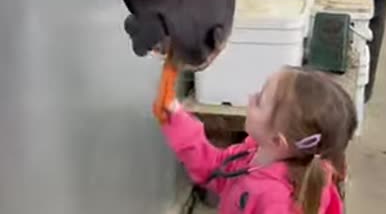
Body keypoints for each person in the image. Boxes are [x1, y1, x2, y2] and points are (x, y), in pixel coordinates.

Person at [153, 65, 358, 214]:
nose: (251, 98)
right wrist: (177, 117)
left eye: (259, 100)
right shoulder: (252, 154)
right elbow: (214, 168)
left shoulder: (274, 200)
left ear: (278, 141)